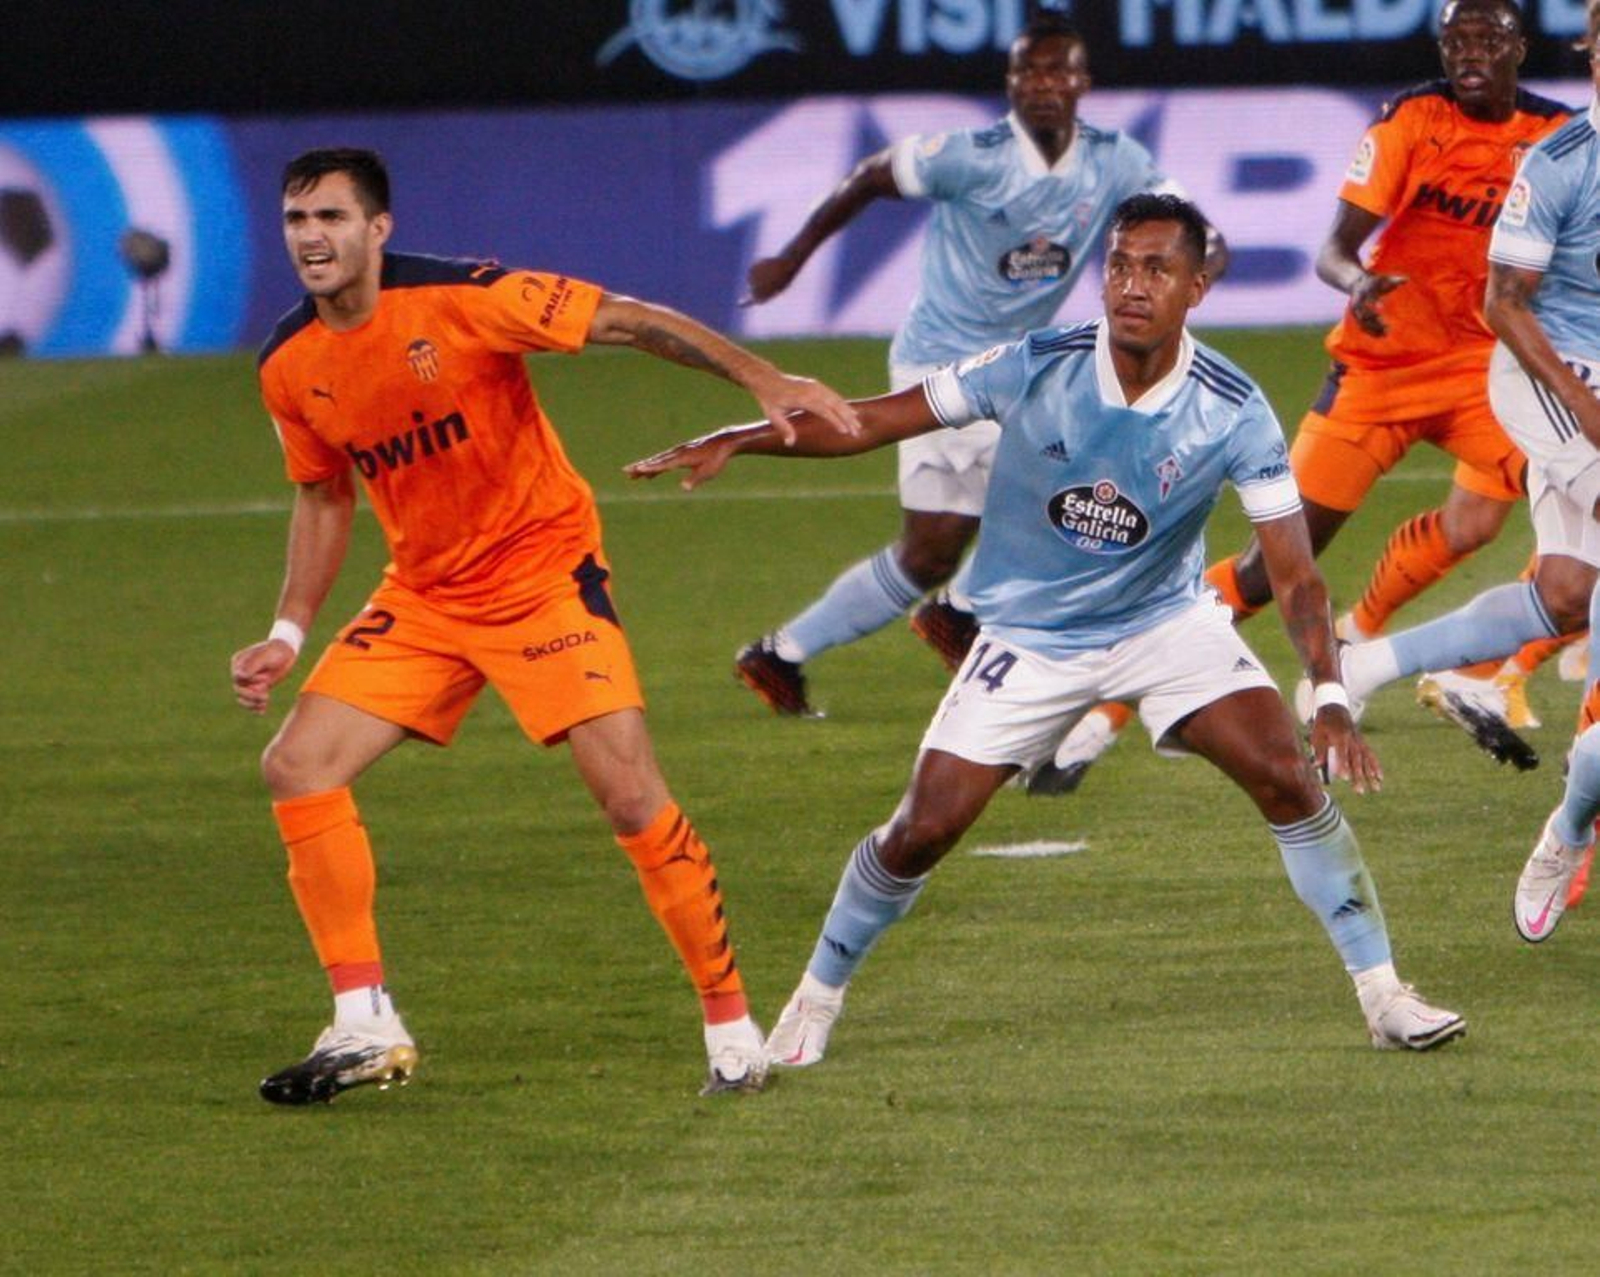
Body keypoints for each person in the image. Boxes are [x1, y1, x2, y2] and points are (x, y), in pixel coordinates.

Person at [630, 194, 1466, 1060]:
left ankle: (1384, 994)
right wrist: (745, 434)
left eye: (1157, 268)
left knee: (1288, 775)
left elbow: (1293, 574)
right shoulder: (1034, 363)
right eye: (1119, 264)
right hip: (1030, 635)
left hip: (1164, 623)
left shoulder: (1233, 407)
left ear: (1197, 287)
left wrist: (1329, 692)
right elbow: (876, 418)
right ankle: (815, 997)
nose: (1132, 284)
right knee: (923, 828)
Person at [230, 147, 862, 1105]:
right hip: (428, 596)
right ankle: (363, 1021)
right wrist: (287, 628)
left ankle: (731, 1025)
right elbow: (323, 497)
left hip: (541, 581)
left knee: (630, 798)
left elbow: (632, 319)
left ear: (378, 229)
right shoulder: (289, 363)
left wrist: (761, 380)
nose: (311, 237)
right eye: (296, 221)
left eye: (330, 218)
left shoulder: (464, 299)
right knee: (297, 765)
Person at [733, 13, 1224, 718]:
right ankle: (966, 618)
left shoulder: (1115, 160)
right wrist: (791, 256)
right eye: (1030, 71)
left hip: (1011, 368)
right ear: (1012, 83)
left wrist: (1207, 260)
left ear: (1084, 82)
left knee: (927, 552)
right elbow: (871, 176)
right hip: (942, 362)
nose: (1044, 84)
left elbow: (1193, 226)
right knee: (1081, 487)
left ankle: (781, 653)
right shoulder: (970, 154)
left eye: (1059, 71)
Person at [1172, 0, 1571, 757]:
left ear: (1521, 46)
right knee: (1272, 565)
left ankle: (1475, 668)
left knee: (1541, 510)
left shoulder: (1555, 139)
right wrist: (1356, 283)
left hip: (1483, 376)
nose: (1469, 53)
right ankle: (1139, 649)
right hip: (1379, 370)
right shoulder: (1412, 121)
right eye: (1456, 40)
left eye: (1488, 38)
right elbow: (1333, 247)